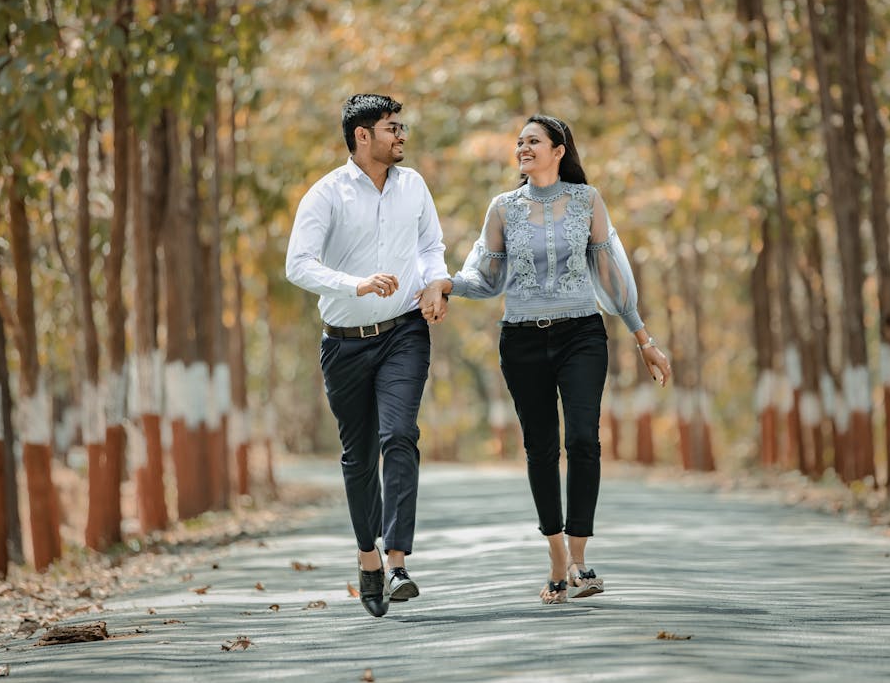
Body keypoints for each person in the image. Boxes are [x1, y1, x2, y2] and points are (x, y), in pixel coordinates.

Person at [418, 114, 671, 605]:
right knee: (540, 448)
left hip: (581, 334)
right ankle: (556, 554)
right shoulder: (503, 208)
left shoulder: (587, 200)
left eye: (533, 141)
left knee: (583, 438)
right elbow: (485, 276)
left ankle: (579, 558)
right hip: (522, 341)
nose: (523, 148)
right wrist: (447, 282)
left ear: (559, 149)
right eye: (519, 143)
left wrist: (644, 339)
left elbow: (612, 275)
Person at [286, 93, 450, 618]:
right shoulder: (326, 195)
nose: (401, 135)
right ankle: (368, 558)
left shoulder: (415, 186)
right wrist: (356, 285)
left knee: (399, 434)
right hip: (344, 343)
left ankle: (398, 561)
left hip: (405, 330)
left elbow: (431, 247)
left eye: (402, 127)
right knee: (359, 459)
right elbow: (299, 265)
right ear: (362, 136)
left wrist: (433, 283)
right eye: (392, 127)